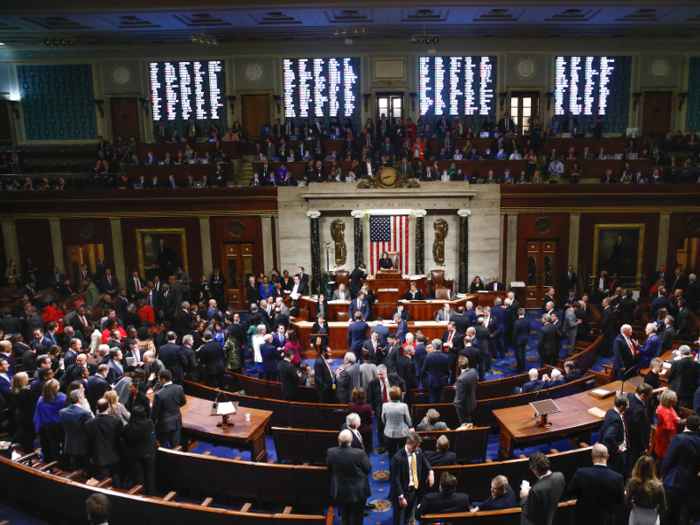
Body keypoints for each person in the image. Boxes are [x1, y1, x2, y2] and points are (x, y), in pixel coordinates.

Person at [563, 443, 624, 525]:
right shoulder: (617, 478)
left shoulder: (581, 473)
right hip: (605, 521)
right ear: (607, 457)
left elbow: (569, 492)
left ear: (592, 456)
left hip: (583, 520)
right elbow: (620, 500)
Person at [326, 429, 372, 525]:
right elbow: (368, 469)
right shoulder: (359, 453)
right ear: (351, 441)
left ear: (338, 439)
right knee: (357, 515)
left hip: (340, 488)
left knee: (344, 513)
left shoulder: (331, 452)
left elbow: (329, 468)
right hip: (358, 490)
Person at [389, 431, 434, 525]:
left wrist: (431, 472)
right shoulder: (397, 458)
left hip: (413, 491)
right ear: (408, 443)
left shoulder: (418, 451)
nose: (416, 448)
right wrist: (401, 497)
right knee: (399, 521)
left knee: (407, 518)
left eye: (417, 446)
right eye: (414, 446)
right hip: (401, 492)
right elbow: (395, 480)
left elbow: (425, 461)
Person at [520, 452, 565, 525]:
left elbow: (529, 514)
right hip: (554, 515)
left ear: (536, 470)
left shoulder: (536, 490)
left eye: (531, 468)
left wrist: (524, 497)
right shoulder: (560, 476)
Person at [369, 365, 405, 455]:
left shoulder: (393, 377)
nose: (380, 377)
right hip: (381, 407)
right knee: (381, 427)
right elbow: (370, 397)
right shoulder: (373, 382)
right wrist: (372, 409)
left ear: (386, 372)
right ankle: (383, 445)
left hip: (394, 406)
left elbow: (403, 382)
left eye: (381, 374)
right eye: (378, 374)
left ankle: (396, 442)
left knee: (395, 424)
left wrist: (403, 392)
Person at [123, 405, 158, 496]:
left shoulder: (127, 427)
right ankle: (151, 496)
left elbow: (125, 441)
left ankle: (140, 495)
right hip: (148, 453)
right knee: (150, 475)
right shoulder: (149, 423)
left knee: (138, 476)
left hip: (134, 455)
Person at [150, 370, 187, 448]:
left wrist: (151, 426)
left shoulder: (159, 395)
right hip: (177, 420)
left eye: (159, 379)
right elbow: (183, 402)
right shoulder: (179, 388)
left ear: (163, 379)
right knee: (176, 446)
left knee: (164, 446)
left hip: (164, 425)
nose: (158, 380)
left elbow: (154, 413)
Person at [626, 455, 666, 525]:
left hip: (637, 516)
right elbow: (663, 506)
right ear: (652, 469)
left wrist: (633, 502)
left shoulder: (632, 483)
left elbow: (627, 502)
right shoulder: (658, 486)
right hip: (652, 517)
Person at [34, 378, 66, 464]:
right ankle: (65, 462)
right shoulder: (63, 398)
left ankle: (56, 463)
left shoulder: (41, 400)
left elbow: (38, 414)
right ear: (55, 388)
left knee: (53, 444)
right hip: (61, 425)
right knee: (64, 443)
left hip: (48, 426)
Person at [625, 383, 653, 479]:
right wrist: (642, 448)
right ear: (643, 395)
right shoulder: (639, 410)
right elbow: (638, 431)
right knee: (634, 465)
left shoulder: (630, 395)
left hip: (628, 436)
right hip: (635, 444)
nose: (651, 396)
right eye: (650, 394)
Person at [598, 395, 630, 477]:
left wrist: (600, 441)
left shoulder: (610, 411)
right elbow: (608, 436)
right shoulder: (616, 419)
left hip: (607, 449)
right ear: (622, 407)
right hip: (615, 455)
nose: (629, 407)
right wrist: (616, 448)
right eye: (627, 405)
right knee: (617, 475)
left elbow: (603, 428)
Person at [654, 389, 679, 475]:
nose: (677, 400)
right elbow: (667, 431)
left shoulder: (663, 406)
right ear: (669, 400)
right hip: (665, 438)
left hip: (660, 433)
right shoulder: (667, 413)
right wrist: (670, 443)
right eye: (675, 399)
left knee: (661, 456)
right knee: (661, 458)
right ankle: (655, 474)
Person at [382, 385, 411, 459]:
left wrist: (388, 425)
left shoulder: (385, 405)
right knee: (404, 454)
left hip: (389, 433)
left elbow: (383, 419)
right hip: (402, 433)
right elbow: (408, 420)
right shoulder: (404, 406)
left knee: (392, 455)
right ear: (400, 395)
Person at [454, 356, 477, 427]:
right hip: (472, 402)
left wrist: (457, 406)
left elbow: (461, 397)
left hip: (464, 407)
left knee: (466, 425)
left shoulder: (461, 379)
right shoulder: (473, 371)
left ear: (459, 365)